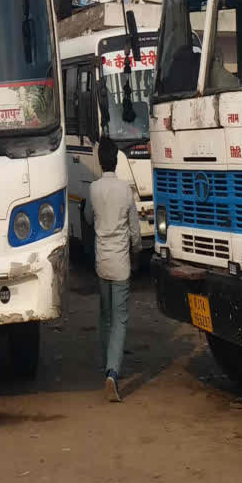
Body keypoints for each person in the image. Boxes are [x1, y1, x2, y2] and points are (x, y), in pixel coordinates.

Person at [83, 136, 141, 402]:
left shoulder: (93, 189)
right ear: (116, 161)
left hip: (101, 262)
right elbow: (135, 231)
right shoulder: (125, 191)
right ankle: (113, 373)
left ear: (99, 161)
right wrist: (137, 250)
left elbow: (87, 218)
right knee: (120, 320)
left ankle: (106, 364)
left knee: (105, 316)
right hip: (121, 265)